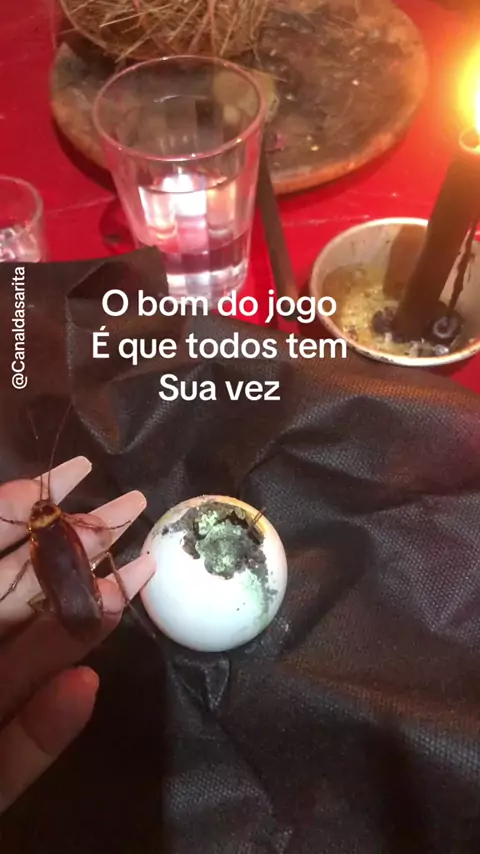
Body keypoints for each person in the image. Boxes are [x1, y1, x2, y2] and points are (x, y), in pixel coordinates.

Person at [0, 455, 155, 814]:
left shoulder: (36, 539)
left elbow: (33, 565)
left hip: (69, 606)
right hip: (76, 602)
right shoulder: (63, 526)